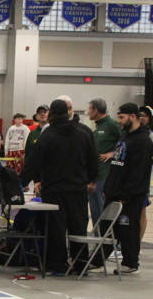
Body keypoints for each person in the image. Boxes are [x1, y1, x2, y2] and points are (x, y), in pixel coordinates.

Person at [19, 98, 98, 276]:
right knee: (78, 227)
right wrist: (92, 180)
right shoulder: (83, 132)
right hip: (78, 189)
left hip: (54, 190)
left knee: (56, 229)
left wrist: (20, 183)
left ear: (52, 114)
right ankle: (80, 265)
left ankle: (58, 265)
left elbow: (33, 162)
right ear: (67, 113)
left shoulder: (48, 135)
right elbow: (93, 158)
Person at [102, 103, 152, 275]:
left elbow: (139, 171)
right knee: (107, 229)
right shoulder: (125, 137)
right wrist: (109, 187)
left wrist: (127, 194)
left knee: (128, 230)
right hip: (114, 193)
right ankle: (96, 260)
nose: (120, 121)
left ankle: (131, 263)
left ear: (133, 116)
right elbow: (117, 165)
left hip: (130, 196)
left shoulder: (142, 141)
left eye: (122, 118)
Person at [88, 98, 123, 227]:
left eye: (89, 109)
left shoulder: (112, 125)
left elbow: (126, 142)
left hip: (105, 175)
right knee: (95, 212)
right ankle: (97, 237)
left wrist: (112, 153)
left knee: (104, 211)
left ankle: (106, 237)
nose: (88, 112)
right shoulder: (98, 127)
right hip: (95, 176)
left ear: (96, 111)